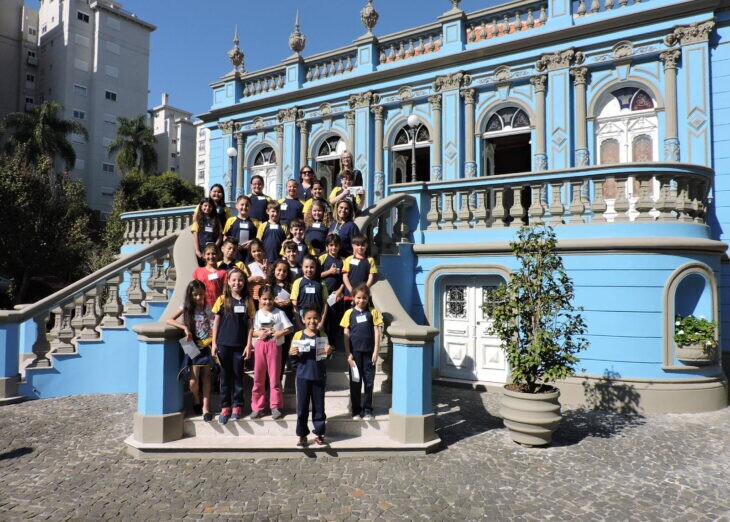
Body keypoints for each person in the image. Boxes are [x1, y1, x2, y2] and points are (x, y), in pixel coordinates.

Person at [165, 280, 215, 422]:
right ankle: (196, 398)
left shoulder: (207, 308)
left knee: (206, 377)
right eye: (195, 295)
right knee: (193, 381)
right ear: (190, 295)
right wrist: (185, 328)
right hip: (190, 345)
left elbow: (213, 324)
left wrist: (211, 336)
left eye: (201, 294)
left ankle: (206, 408)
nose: (199, 298)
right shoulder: (186, 307)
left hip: (205, 344)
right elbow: (169, 320)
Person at [211, 267, 254, 425]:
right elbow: (215, 322)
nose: (237, 283)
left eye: (240, 280)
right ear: (228, 282)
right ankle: (225, 407)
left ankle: (237, 406)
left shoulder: (248, 301)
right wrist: (214, 343)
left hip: (239, 346)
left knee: (238, 377)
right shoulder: (222, 300)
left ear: (244, 282)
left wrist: (249, 344)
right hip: (223, 345)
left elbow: (250, 325)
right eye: (234, 280)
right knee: (225, 377)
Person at [289, 305, 333, 446]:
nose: (312, 321)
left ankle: (319, 433)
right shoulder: (298, 335)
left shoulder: (323, 335)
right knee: (302, 407)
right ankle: (302, 435)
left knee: (319, 407)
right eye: (309, 318)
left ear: (320, 319)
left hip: (319, 377)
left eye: (315, 318)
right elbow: (294, 360)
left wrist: (329, 352)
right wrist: (292, 354)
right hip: (302, 377)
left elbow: (325, 358)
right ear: (303, 319)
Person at [249, 285, 293, 420]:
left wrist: (280, 332)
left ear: (274, 299)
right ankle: (258, 407)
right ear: (259, 299)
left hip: (275, 346)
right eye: (264, 299)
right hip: (260, 346)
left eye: (270, 299)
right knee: (258, 377)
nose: (267, 302)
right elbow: (252, 331)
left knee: (274, 377)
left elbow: (290, 328)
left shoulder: (279, 313)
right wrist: (259, 333)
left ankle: (276, 406)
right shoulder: (257, 314)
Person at [340, 284, 382, 420]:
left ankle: (368, 409)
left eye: (364, 298)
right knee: (355, 382)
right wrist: (348, 354)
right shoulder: (349, 313)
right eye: (358, 297)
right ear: (353, 298)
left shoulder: (373, 312)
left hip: (369, 353)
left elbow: (377, 331)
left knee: (369, 382)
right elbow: (346, 332)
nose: (361, 300)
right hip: (355, 355)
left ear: (368, 298)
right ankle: (356, 410)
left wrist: (376, 351)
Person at [319, 235, 345, 348]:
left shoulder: (343, 260)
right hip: (323, 294)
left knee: (334, 321)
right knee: (322, 320)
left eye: (336, 245)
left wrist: (339, 291)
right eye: (331, 245)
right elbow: (316, 275)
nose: (333, 248)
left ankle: (332, 346)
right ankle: (322, 346)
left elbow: (345, 279)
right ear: (327, 246)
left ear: (339, 247)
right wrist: (329, 272)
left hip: (335, 296)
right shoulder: (322, 258)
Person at [290, 254, 329, 329]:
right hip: (302, 319)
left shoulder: (321, 283)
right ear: (302, 267)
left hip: (317, 319)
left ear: (315, 268)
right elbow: (294, 304)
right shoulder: (297, 282)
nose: (309, 269)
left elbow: (325, 303)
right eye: (306, 267)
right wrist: (299, 324)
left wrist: (321, 322)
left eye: (312, 267)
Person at [222, 195, 259, 262]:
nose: (244, 207)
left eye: (247, 205)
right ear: (236, 206)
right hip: (234, 254)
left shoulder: (255, 222)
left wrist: (252, 242)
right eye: (242, 204)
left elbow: (259, 238)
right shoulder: (230, 220)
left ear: (250, 207)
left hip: (250, 255)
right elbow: (225, 237)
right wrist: (233, 245)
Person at [342, 234, 377, 302]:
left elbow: (371, 277)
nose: (360, 247)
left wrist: (364, 290)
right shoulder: (348, 259)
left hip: (363, 297)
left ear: (366, 246)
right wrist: (351, 290)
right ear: (353, 246)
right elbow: (345, 277)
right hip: (349, 294)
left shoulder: (370, 260)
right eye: (358, 245)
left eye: (363, 245)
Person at [191, 197, 222, 265]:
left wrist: (215, 246)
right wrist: (197, 250)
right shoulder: (197, 221)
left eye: (210, 206)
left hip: (213, 251)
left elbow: (220, 235)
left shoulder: (217, 221)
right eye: (205, 205)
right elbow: (195, 236)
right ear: (201, 206)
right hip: (202, 251)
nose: (207, 208)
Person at [246, 238, 268, 305]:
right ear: (251, 253)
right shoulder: (249, 266)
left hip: (266, 298)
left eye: (259, 250)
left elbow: (272, 281)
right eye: (254, 251)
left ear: (263, 251)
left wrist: (265, 273)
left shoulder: (270, 265)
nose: (257, 253)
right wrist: (252, 279)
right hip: (253, 297)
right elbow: (244, 281)